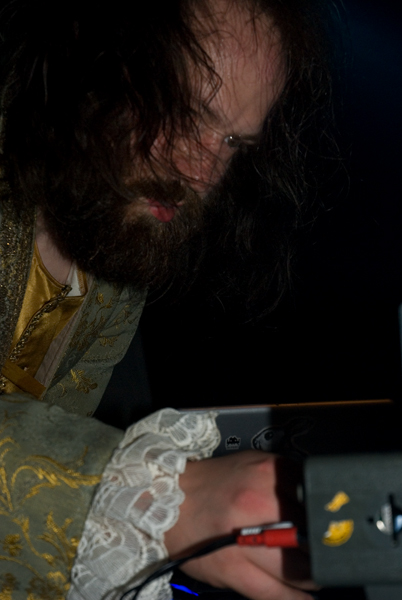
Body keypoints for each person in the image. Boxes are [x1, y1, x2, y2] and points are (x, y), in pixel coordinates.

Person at [0, 0, 330, 598]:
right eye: (187, 113)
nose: (203, 172)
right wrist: (163, 498)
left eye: (233, 141)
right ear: (92, 56)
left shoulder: (115, 272)